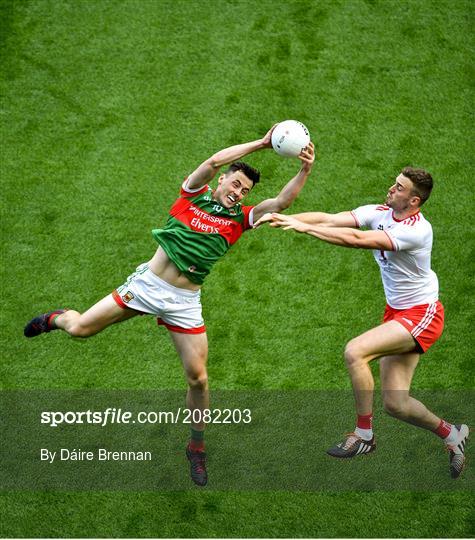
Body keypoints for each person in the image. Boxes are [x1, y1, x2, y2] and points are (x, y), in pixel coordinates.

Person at [24, 126, 315, 486]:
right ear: (222, 181)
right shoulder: (192, 196)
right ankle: (56, 318)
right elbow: (211, 161)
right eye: (235, 184)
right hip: (147, 287)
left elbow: (281, 203)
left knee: (199, 378)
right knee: (81, 329)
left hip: (184, 302)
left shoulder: (241, 219)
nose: (238, 193)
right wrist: (262, 143)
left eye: (245, 191)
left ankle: (196, 447)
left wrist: (304, 169)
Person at [255, 167, 469, 479]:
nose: (391, 189)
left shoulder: (417, 231)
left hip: (422, 314)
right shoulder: (379, 213)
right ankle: (453, 435)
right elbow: (330, 218)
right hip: (397, 313)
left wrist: (300, 227)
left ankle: (364, 436)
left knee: (356, 352)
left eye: (399, 188)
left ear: (414, 201)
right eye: (394, 183)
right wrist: (285, 216)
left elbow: (357, 240)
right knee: (396, 403)